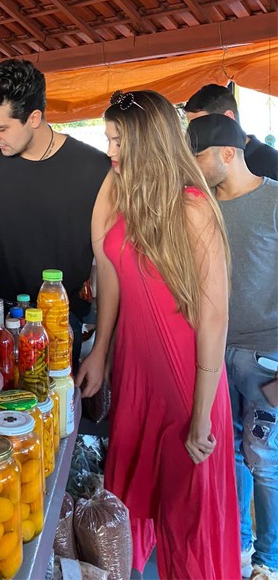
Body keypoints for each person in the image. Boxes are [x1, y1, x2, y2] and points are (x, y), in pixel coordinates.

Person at [76, 90, 239, 578]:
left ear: (149, 142)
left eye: (119, 141)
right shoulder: (127, 195)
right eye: (108, 139)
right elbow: (107, 269)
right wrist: (100, 353)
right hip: (135, 370)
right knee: (129, 511)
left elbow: (214, 318)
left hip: (185, 379)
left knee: (190, 526)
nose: (111, 151)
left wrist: (202, 414)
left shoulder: (193, 207)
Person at [0, 58, 110, 371]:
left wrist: (101, 353)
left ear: (34, 117)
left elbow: (108, 267)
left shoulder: (93, 168)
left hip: (54, 325)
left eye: (0, 128)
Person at [188, 113, 278, 580]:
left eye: (198, 156)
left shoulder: (275, 201)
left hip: (266, 361)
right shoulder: (200, 205)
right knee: (229, 455)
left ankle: (268, 561)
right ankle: (237, 548)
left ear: (227, 153)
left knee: (265, 463)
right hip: (213, 356)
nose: (193, 167)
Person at [184, 84, 277, 180]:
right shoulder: (204, 165)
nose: (193, 131)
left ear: (228, 117)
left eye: (201, 124)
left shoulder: (273, 165)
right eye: (190, 126)